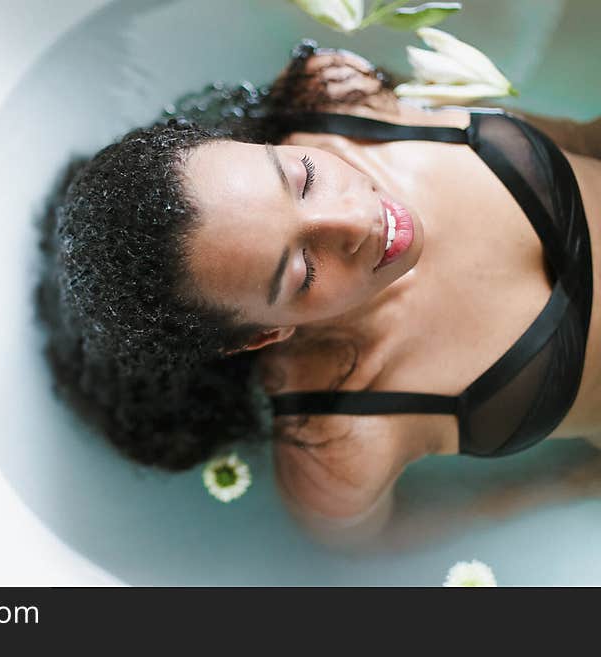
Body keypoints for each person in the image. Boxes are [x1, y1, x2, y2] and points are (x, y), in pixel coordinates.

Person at [36, 40, 601, 546]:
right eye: (302, 269)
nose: (357, 220)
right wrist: (560, 486)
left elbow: (580, 141)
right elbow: (385, 545)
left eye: (302, 177)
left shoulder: (340, 94)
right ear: (265, 334)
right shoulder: (341, 448)